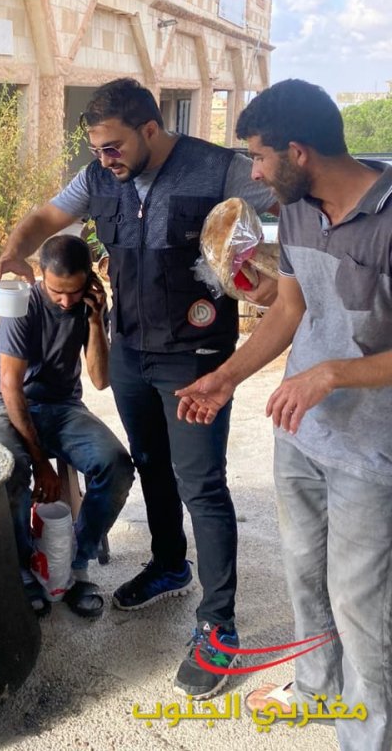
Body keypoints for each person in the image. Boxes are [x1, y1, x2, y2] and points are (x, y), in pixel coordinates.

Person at [0, 77, 276, 698]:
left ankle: (218, 629)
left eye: (114, 146)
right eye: (96, 148)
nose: (105, 158)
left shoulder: (218, 168)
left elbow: (289, 201)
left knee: (203, 485)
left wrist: (273, 273)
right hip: (132, 353)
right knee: (150, 466)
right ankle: (169, 564)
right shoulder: (98, 178)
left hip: (196, 357)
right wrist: (12, 252)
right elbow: (44, 217)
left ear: (150, 128)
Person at [177, 79, 392, 750]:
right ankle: (315, 690)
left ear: (298, 152)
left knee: (361, 603)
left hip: (372, 449)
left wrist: (331, 372)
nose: (255, 172)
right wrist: (225, 377)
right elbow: (292, 309)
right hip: (302, 433)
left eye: (260, 157)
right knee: (304, 576)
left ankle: (368, 736)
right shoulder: (296, 212)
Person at [0, 234, 133, 619]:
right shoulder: (21, 305)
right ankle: (23, 567)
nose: (66, 301)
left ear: (89, 280)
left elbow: (100, 379)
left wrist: (96, 321)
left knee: (117, 465)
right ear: (41, 276)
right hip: (12, 406)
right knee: (9, 471)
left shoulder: (89, 306)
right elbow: (10, 387)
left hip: (64, 407)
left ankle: (75, 564)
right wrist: (40, 463)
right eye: (57, 292)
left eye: (74, 292)